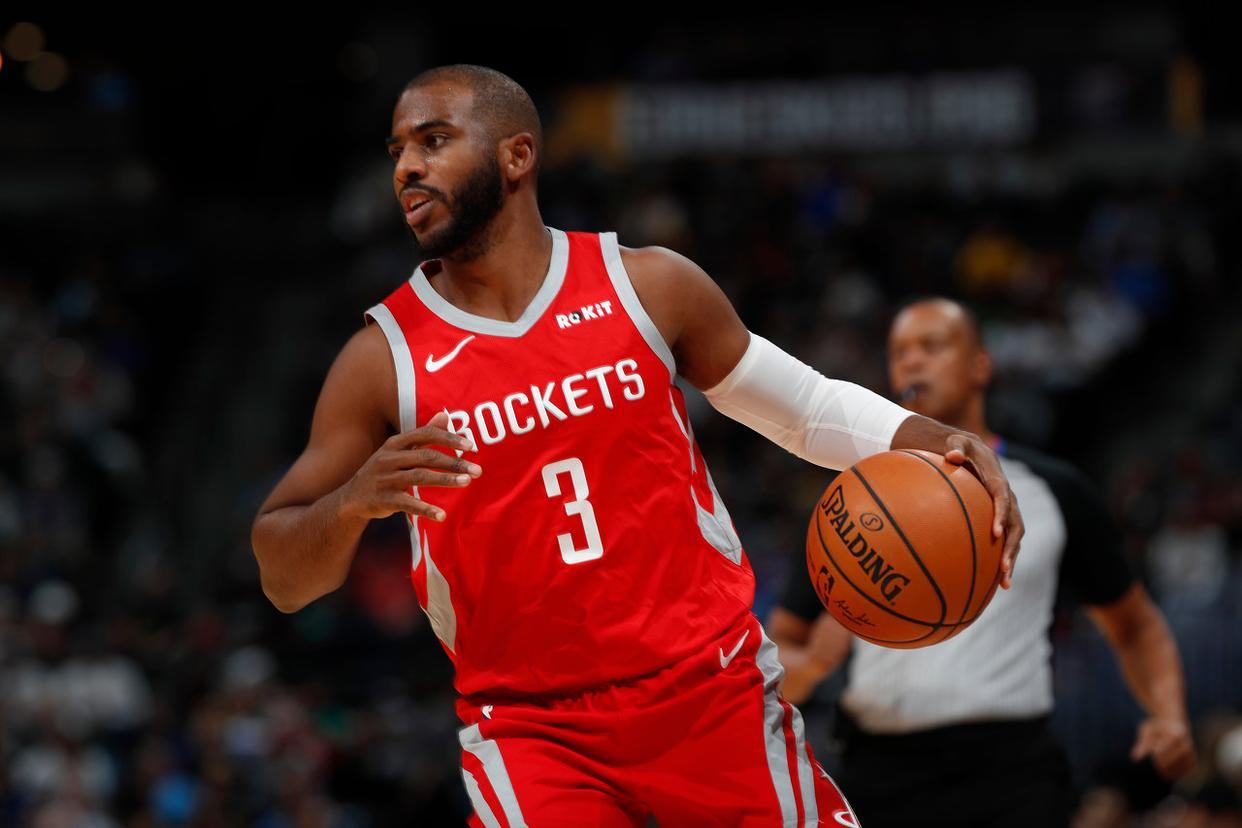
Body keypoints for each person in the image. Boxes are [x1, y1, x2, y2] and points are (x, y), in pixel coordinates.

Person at [250, 65, 1024, 827]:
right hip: (532, 729)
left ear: (517, 156)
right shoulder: (382, 359)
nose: (407, 168)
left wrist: (942, 440)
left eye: (434, 140)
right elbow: (284, 578)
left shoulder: (647, 284)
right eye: (397, 151)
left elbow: (808, 411)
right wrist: (350, 505)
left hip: (707, 687)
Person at [766, 297, 1195, 828]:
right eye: (900, 352)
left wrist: (1169, 714)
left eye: (932, 346)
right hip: (878, 769)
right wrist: (810, 665)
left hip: (1009, 772)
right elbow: (780, 658)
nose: (913, 361)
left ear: (980, 365)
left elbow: (1135, 626)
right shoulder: (857, 492)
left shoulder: (1053, 489)